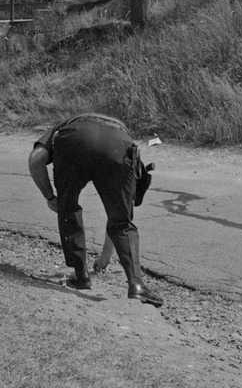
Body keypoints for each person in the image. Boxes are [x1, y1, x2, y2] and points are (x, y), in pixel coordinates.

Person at [28, 113, 163, 307]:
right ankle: (137, 286)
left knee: (69, 208)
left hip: (73, 141)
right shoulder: (119, 131)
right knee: (122, 220)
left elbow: (35, 159)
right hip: (118, 145)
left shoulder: (62, 127)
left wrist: (50, 197)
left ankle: (81, 275)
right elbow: (119, 218)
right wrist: (106, 255)